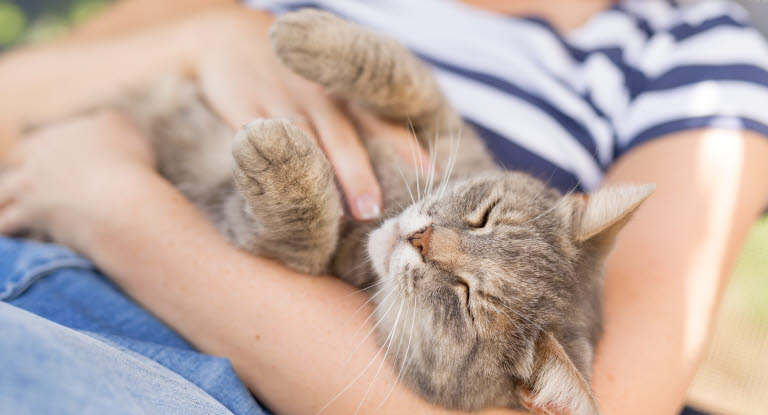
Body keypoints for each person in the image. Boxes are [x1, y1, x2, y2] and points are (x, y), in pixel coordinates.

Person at [1, 0, 767, 414]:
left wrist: (117, 210)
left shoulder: (693, 61)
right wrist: (206, 34)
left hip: (177, 370)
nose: (436, 240)